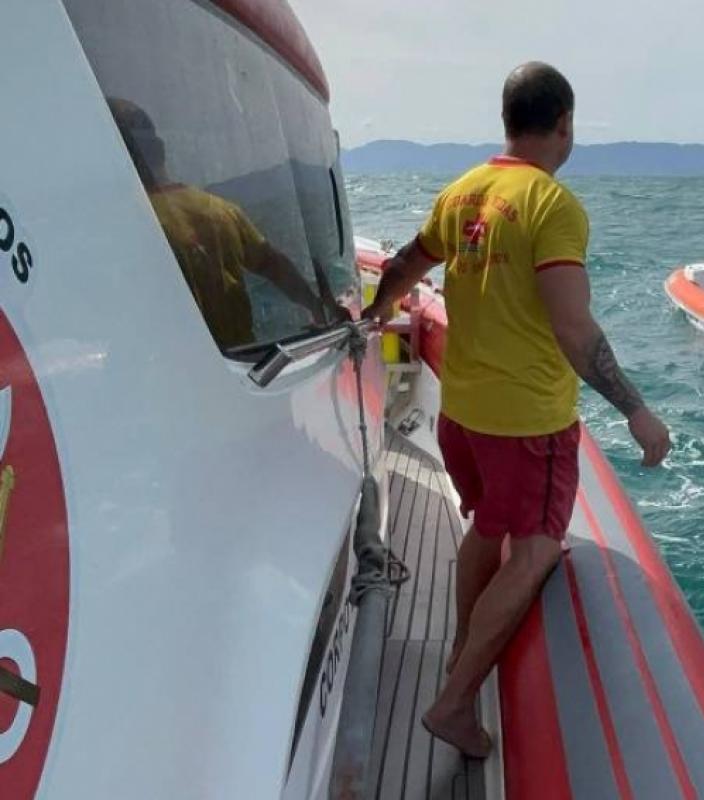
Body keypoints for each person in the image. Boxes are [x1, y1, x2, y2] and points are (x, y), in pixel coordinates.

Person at [361, 62, 671, 758]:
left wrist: (377, 310)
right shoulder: (551, 205)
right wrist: (636, 409)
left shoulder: (463, 191)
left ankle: (458, 650)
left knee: (487, 527)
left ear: (507, 121)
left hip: (461, 415)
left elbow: (406, 263)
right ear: (564, 124)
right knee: (533, 552)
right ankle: (454, 702)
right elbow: (574, 328)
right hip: (527, 424)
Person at [107, 98, 327, 349]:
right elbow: (272, 264)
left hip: (165, 361)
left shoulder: (126, 222)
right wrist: (316, 305)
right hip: (240, 359)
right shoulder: (220, 210)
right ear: (160, 149)